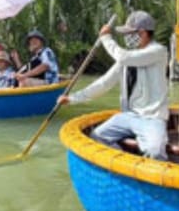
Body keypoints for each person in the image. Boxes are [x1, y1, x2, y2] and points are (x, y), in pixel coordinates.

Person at [58, 10, 169, 160]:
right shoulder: (127, 60)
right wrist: (72, 98)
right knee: (96, 136)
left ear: (142, 33)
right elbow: (104, 83)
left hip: (152, 118)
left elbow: (123, 56)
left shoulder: (158, 51)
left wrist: (105, 38)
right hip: (128, 115)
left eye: (129, 33)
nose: (126, 38)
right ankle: (127, 163)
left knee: (155, 151)